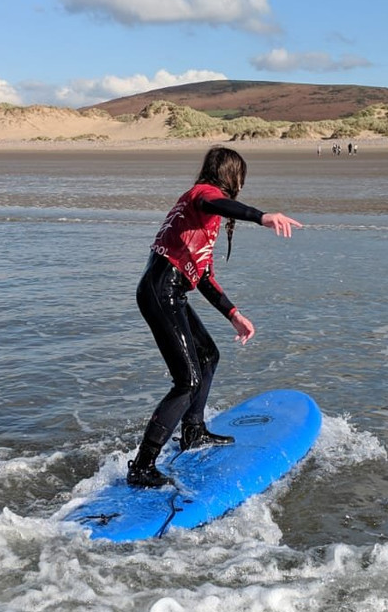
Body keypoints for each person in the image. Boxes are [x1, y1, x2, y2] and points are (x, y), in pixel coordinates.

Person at [127, 146, 302, 488]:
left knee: (209, 355)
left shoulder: (202, 221)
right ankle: (142, 466)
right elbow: (217, 202)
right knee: (187, 380)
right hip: (161, 292)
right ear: (231, 176)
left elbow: (202, 276)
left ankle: (193, 431)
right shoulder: (201, 196)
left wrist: (233, 314)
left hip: (169, 292)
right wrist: (261, 216)